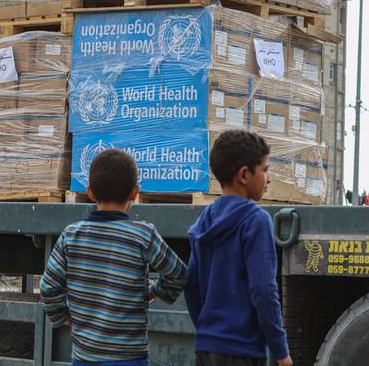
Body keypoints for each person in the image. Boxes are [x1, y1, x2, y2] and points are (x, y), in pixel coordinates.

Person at [40, 149, 188, 365]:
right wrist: (153, 292)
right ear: (134, 192)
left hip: (84, 357)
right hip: (130, 358)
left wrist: (64, 317)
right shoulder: (142, 235)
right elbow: (178, 274)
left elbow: (48, 288)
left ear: (90, 192)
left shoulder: (71, 236)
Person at [184, 130, 292, 366]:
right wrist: (281, 351)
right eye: (264, 169)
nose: (268, 178)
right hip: (243, 350)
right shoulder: (256, 220)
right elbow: (263, 290)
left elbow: (191, 285)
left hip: (207, 347)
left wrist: (208, 330)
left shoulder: (204, 221)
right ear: (244, 175)